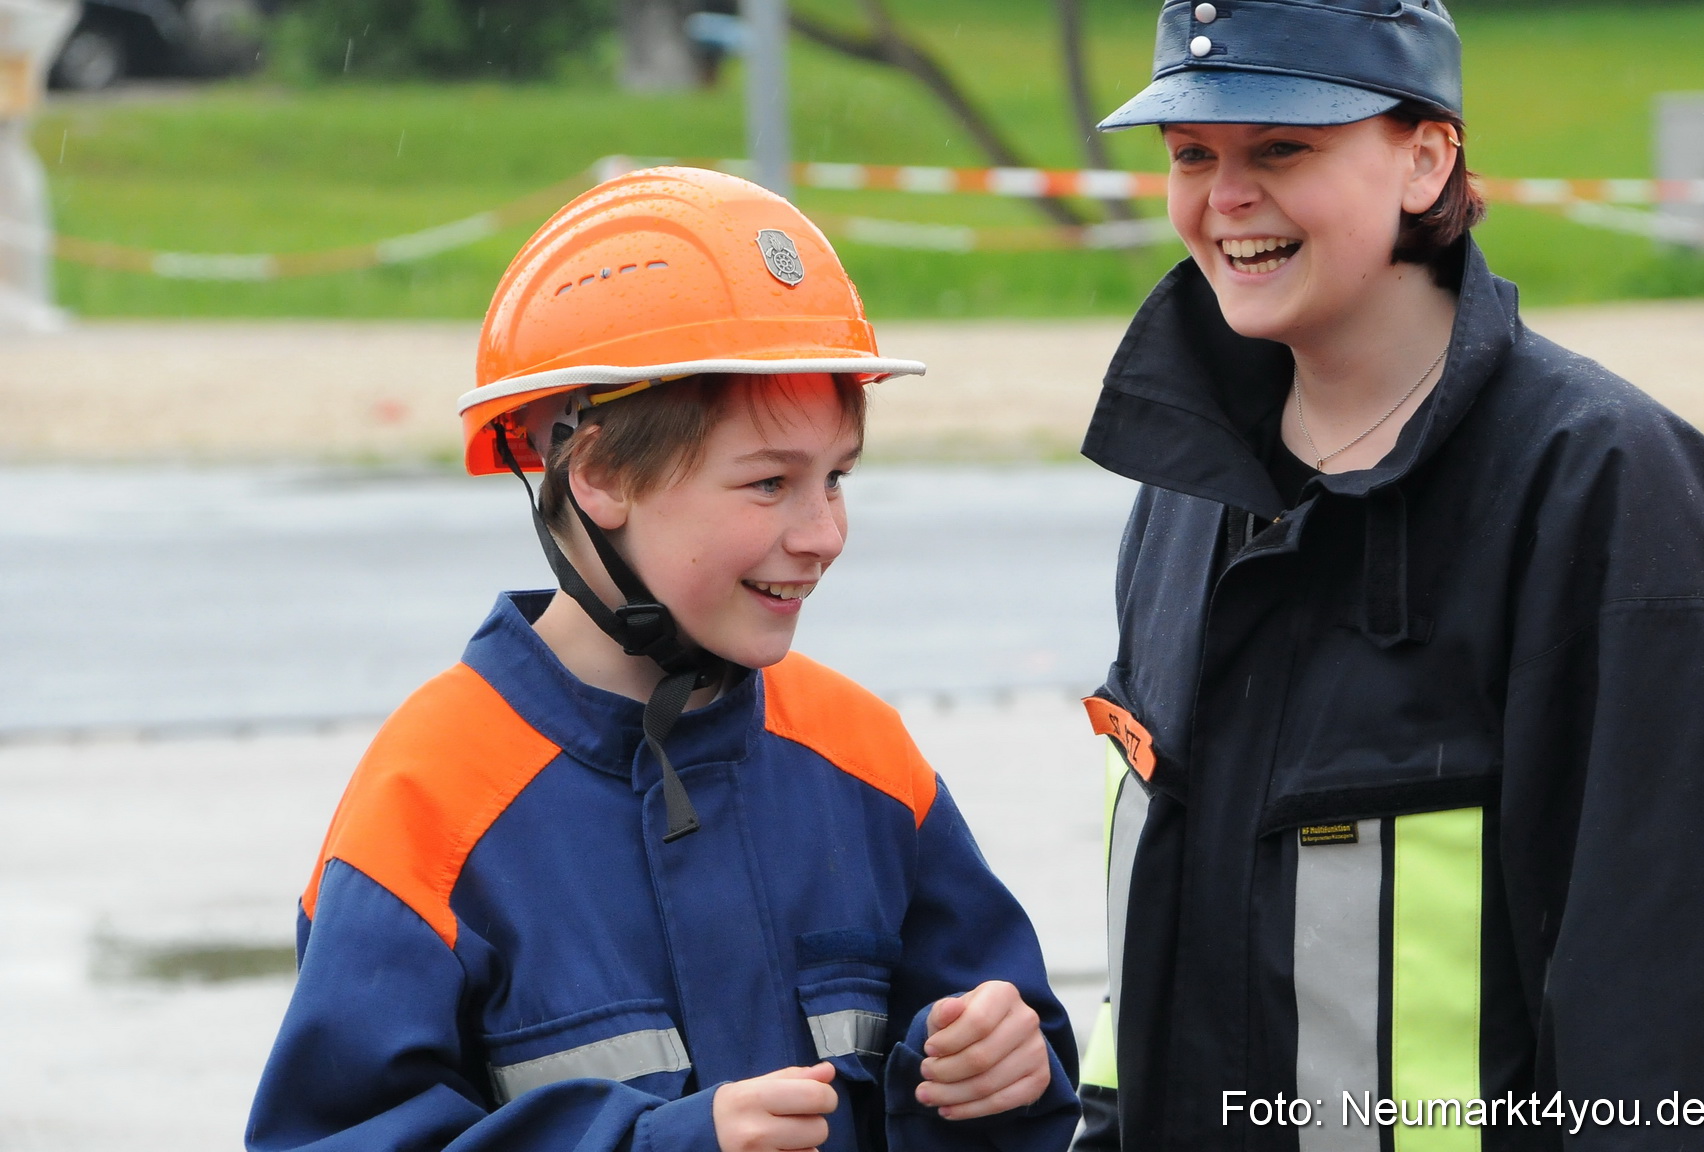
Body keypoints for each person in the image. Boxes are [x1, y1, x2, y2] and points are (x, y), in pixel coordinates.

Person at [246, 167, 1080, 1152]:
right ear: (600, 474)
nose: (824, 534)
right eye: (768, 484)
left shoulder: (864, 758)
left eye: (836, 478)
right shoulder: (429, 802)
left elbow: (999, 1067)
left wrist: (1009, 1074)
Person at [1070, 2, 1704, 1150]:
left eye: (1282, 148)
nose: (1226, 198)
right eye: (1191, 155)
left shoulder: (1607, 493)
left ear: (1427, 159)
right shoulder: (1188, 481)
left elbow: (1667, 1039)